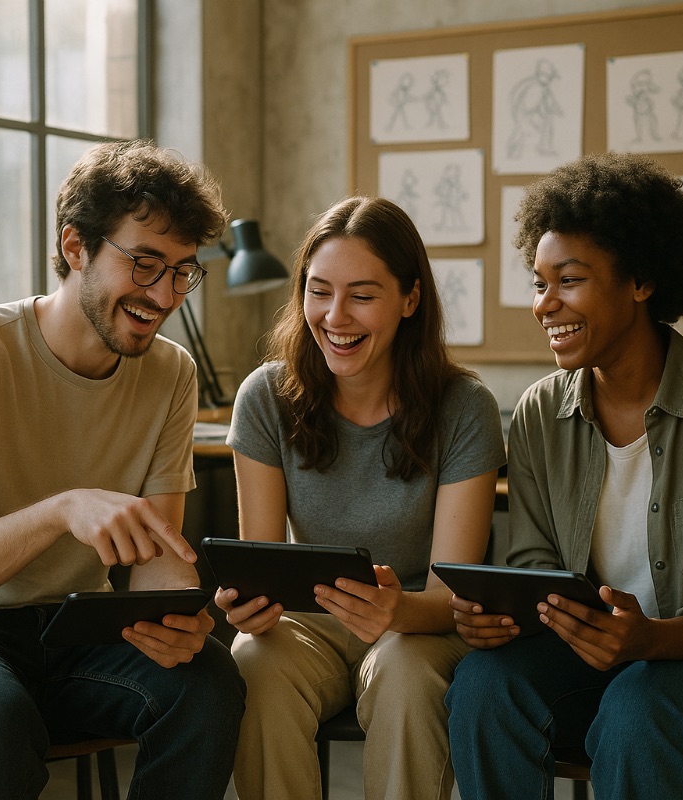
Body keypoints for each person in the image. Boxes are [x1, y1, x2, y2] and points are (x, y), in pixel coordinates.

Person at [0, 139, 245, 800]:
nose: (164, 294)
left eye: (181, 271)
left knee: (209, 685)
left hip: (82, 628)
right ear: (75, 246)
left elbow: (155, 553)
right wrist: (61, 510)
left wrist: (176, 615)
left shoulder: (172, 373)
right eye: (144, 264)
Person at [446, 151, 683, 800]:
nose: (544, 304)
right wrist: (497, 618)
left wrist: (650, 640)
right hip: (591, 661)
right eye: (538, 282)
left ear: (639, 280)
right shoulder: (536, 414)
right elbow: (532, 563)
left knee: (639, 707)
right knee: (481, 683)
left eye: (569, 280)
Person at [214, 196, 506, 800]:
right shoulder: (266, 396)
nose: (335, 316)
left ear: (410, 298)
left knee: (402, 674)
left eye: (363, 295)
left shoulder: (464, 408)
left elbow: (451, 595)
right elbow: (265, 565)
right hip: (309, 623)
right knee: (251, 660)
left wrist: (397, 612)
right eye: (319, 291)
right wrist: (247, 606)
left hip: (419, 624)